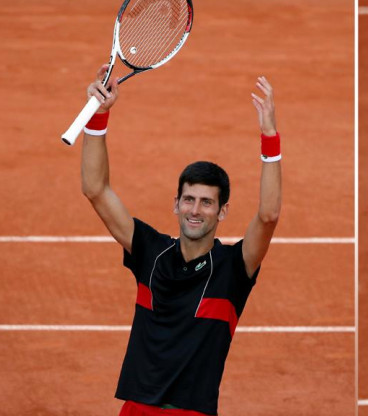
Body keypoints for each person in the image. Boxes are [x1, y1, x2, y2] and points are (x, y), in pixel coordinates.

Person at [80, 65, 282, 416]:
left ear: (222, 212)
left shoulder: (234, 268)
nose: (195, 210)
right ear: (175, 204)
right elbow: (95, 190)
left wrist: (270, 139)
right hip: (137, 409)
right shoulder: (151, 252)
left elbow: (268, 216)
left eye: (207, 203)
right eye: (189, 199)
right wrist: (98, 116)